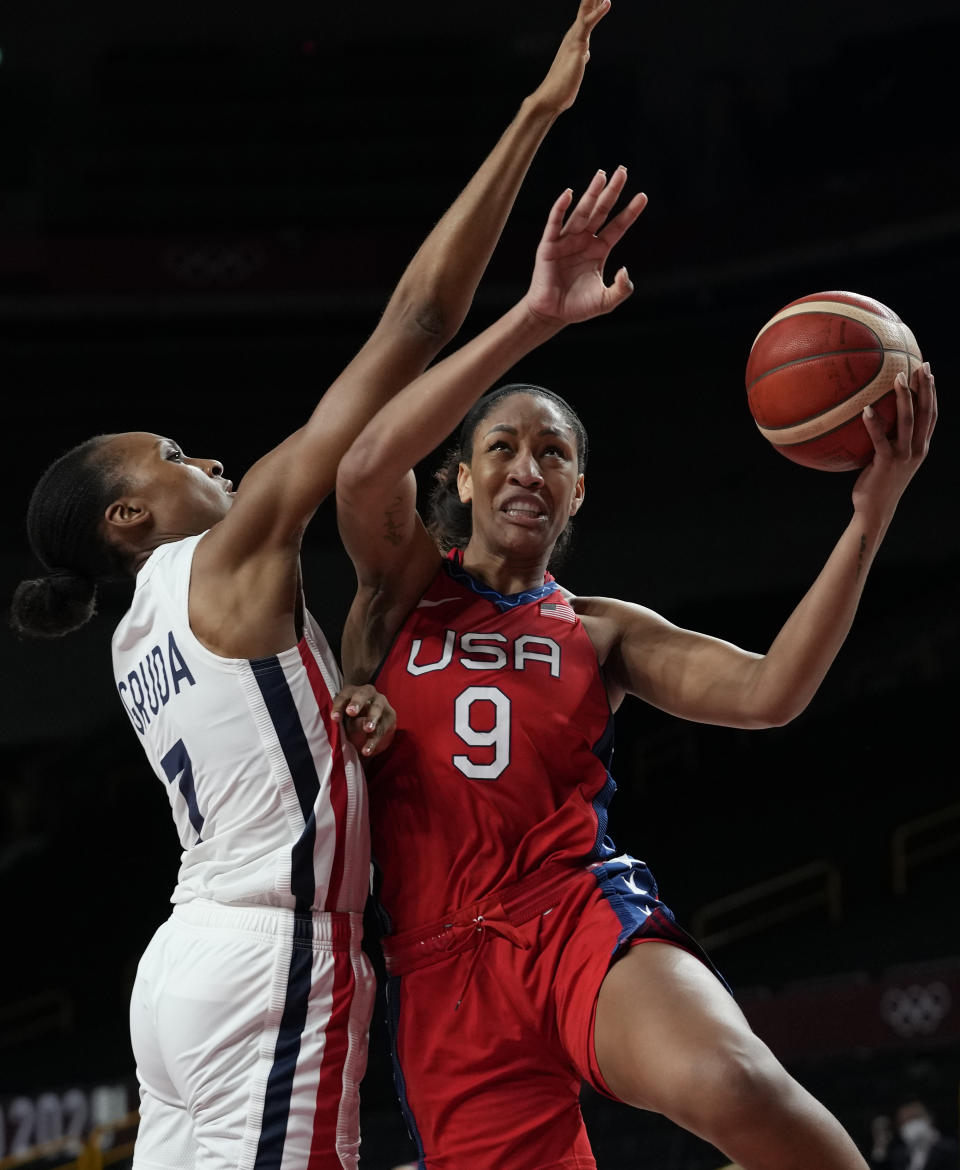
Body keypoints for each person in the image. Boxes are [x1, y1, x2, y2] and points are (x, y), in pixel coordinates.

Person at [8, 4, 614, 1166]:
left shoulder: (137, 631)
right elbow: (416, 321)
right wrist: (537, 117)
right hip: (270, 961)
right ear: (129, 515)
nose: (214, 464)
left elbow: (272, 738)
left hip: (185, 963)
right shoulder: (222, 560)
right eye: (179, 458)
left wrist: (348, 717)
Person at [334, 170, 938, 1166]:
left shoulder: (600, 630)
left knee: (731, 1081)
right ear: (462, 477)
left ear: (577, 495)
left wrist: (869, 521)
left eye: (554, 453)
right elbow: (360, 466)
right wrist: (536, 316)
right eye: (503, 447)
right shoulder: (398, 589)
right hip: (443, 971)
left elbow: (768, 693)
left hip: (572, 914)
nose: (530, 466)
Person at [870, 1098, 959, 1170]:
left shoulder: (951, 1148)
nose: (912, 1125)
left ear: (929, 1117)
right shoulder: (898, 1155)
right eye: (905, 1121)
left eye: (915, 1117)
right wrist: (880, 1146)